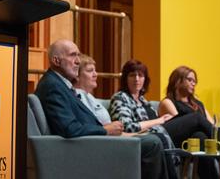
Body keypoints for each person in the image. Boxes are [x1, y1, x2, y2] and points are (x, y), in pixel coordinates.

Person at [35, 40, 172, 179]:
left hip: (96, 141)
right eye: (72, 55)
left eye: (78, 55)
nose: (77, 61)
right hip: (89, 148)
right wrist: (106, 130)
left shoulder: (60, 85)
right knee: (152, 143)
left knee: (154, 139)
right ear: (56, 60)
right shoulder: (53, 86)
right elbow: (70, 128)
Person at [159, 66, 220, 178]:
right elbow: (182, 127)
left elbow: (212, 125)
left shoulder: (197, 104)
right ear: (177, 81)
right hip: (181, 143)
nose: (193, 83)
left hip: (199, 140)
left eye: (195, 81)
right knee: (197, 120)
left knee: (200, 136)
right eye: (190, 80)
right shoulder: (168, 102)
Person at [109, 60, 173, 148]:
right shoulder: (120, 97)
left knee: (197, 133)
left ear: (145, 79)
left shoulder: (143, 100)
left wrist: (164, 120)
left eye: (140, 75)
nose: (136, 79)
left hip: (160, 132)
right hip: (143, 139)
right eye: (132, 75)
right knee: (195, 119)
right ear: (125, 79)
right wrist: (159, 121)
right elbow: (126, 127)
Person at [73, 55, 111, 125]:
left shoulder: (89, 96)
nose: (95, 74)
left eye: (95, 70)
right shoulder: (76, 96)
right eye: (90, 71)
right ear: (76, 75)